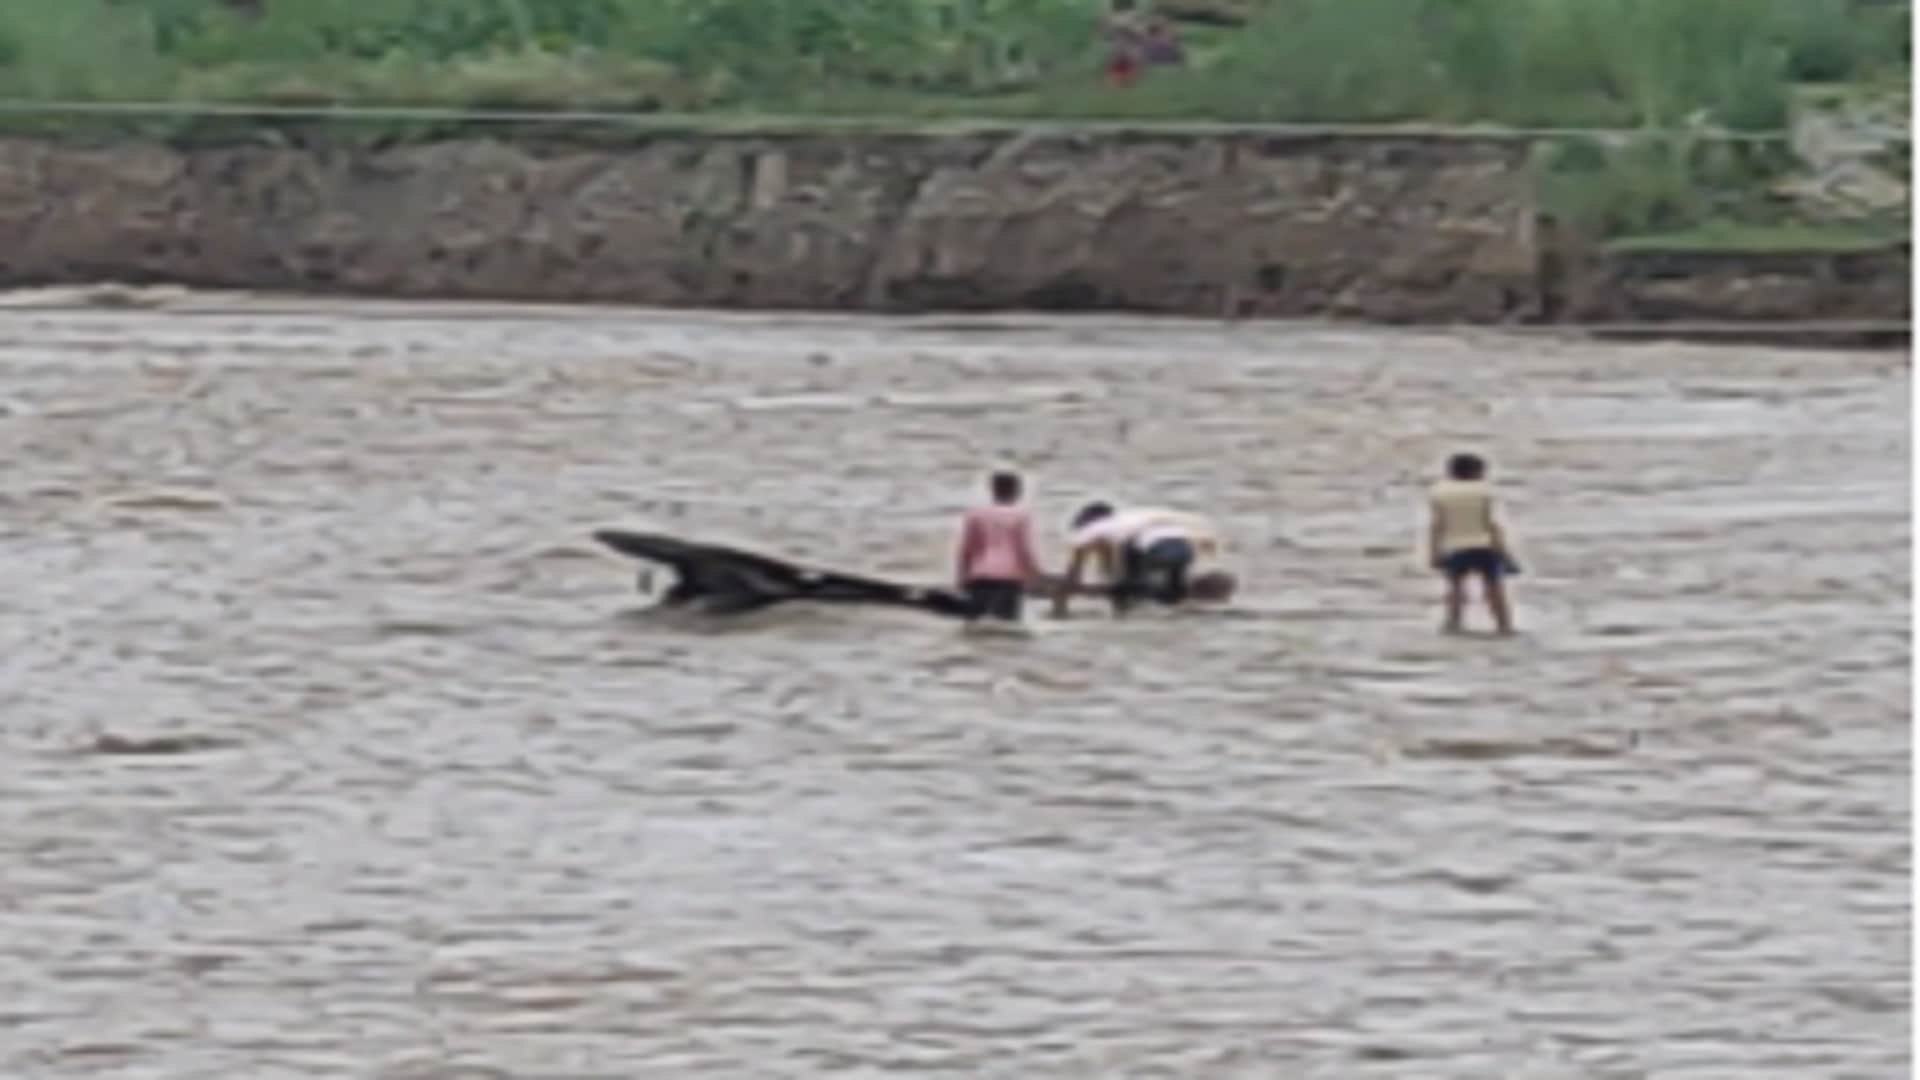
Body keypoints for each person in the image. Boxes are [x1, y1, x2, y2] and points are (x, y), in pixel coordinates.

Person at [1051, 501, 1222, 617]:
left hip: (1155, 549)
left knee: (1127, 589)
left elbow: (1072, 579)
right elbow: (1204, 538)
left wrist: (1059, 608)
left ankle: (1130, 609)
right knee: (1173, 596)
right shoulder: (1131, 519)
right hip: (1184, 548)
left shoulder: (1089, 531)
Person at [1427, 452, 1518, 635]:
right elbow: (1491, 524)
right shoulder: (1484, 492)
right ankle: (1504, 626)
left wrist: (1434, 552)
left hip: (1455, 547)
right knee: (1494, 587)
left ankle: (1453, 624)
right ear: (1476, 471)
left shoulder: (1439, 493)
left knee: (1455, 587)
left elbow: (1437, 526)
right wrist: (1505, 554)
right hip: (1484, 545)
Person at [955, 470, 1044, 624]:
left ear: (992, 489)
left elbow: (966, 549)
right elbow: (1024, 550)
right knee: (1006, 626)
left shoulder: (975, 514)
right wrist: (1035, 576)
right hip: (1010, 578)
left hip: (979, 577)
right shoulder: (1021, 516)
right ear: (1016, 490)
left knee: (974, 624)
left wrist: (961, 576)